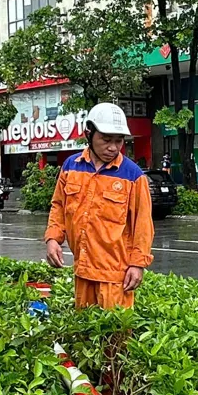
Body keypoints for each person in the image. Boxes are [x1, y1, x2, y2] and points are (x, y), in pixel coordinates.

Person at [45, 103, 154, 309]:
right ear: (89, 134)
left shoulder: (133, 175)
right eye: (106, 140)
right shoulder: (70, 166)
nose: (113, 147)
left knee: (115, 338)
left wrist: (138, 264)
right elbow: (59, 205)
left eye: (118, 141)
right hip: (82, 271)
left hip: (116, 277)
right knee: (84, 336)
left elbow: (143, 225)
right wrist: (52, 238)